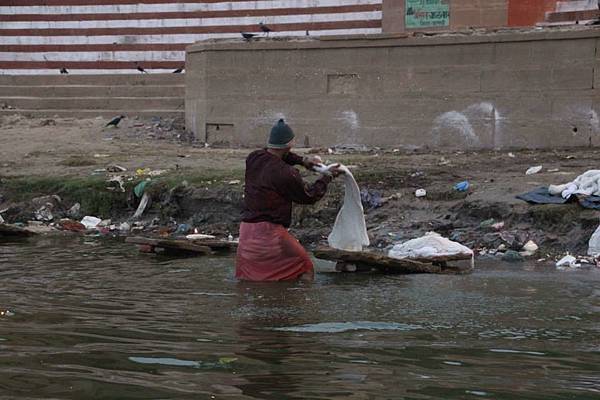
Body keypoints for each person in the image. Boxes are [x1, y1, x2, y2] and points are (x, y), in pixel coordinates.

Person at [235, 119, 342, 282]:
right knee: (304, 267)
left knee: (251, 278)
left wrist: (303, 161)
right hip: (270, 234)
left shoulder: (254, 158)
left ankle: (267, 302)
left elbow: (278, 155)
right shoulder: (286, 173)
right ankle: (296, 303)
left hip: (246, 233)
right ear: (290, 144)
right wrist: (326, 177)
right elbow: (310, 196)